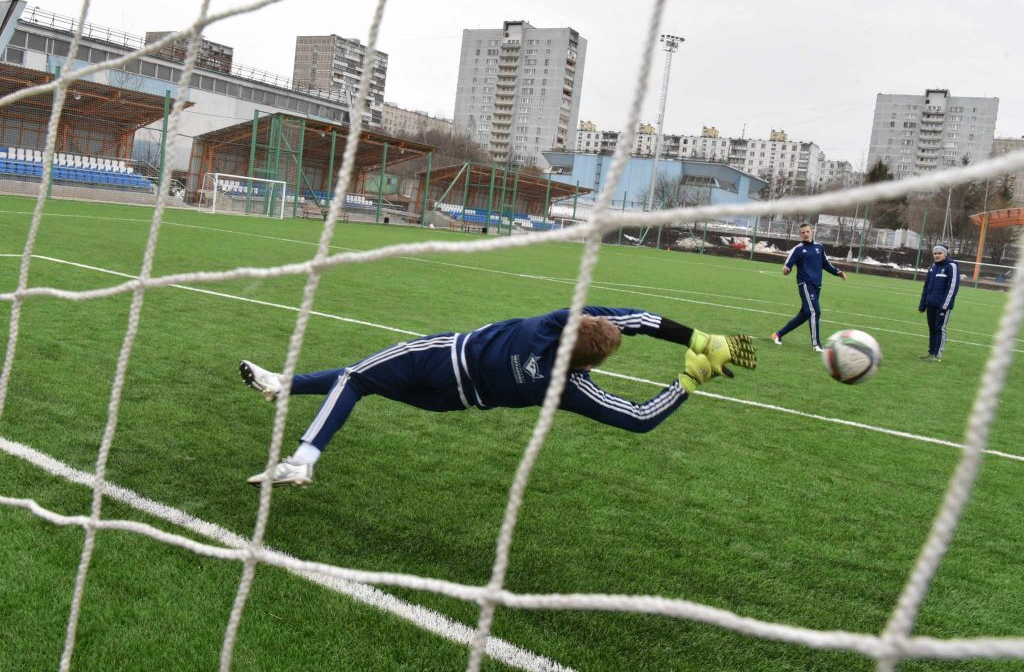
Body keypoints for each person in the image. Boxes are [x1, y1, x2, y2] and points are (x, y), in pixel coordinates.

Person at [240, 307, 757, 487]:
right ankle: (282, 384)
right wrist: (691, 378)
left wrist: (696, 336)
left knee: (357, 378)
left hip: (439, 358)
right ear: (594, 363)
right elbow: (639, 417)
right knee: (366, 378)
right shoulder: (566, 385)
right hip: (456, 400)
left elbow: (633, 318)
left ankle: (303, 459)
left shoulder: (551, 324)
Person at [771, 223, 847, 351]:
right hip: (805, 284)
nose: (805, 234)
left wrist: (837, 272)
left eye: (807, 231)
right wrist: (786, 269)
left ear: (812, 232)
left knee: (805, 314)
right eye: (803, 232)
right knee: (815, 312)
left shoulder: (819, 247)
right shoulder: (798, 249)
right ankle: (816, 345)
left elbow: (826, 264)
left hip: (817, 285)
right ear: (800, 235)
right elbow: (787, 265)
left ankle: (777, 334)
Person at [918, 244, 960, 362]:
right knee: (932, 328)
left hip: (942, 306)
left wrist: (945, 306)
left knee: (940, 328)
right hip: (931, 304)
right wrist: (923, 303)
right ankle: (931, 352)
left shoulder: (951, 266)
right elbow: (926, 287)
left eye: (939, 253)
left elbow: (952, 288)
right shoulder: (932, 267)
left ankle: (938, 355)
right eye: (935, 253)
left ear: (945, 254)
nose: (937, 255)